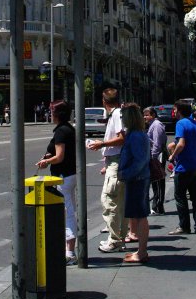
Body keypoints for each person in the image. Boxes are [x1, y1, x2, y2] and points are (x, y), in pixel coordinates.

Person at [36, 100, 78, 264]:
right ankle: (69, 249)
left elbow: (59, 157)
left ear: (57, 114)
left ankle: (70, 253)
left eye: (51, 111)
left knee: (67, 213)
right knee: (69, 210)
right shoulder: (68, 129)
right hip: (69, 175)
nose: (49, 114)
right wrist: (49, 157)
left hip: (63, 176)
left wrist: (46, 162)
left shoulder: (61, 131)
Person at [87, 87, 126, 252]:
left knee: (109, 201)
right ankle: (119, 238)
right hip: (116, 161)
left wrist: (101, 144)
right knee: (120, 202)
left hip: (116, 162)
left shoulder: (117, 114)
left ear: (103, 101)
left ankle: (115, 240)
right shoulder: (118, 113)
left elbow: (122, 138)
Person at [118, 102, 151, 263]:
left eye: (123, 116)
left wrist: (125, 174)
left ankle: (142, 252)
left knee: (140, 215)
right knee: (138, 215)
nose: (122, 119)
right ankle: (140, 250)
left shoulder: (136, 136)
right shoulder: (135, 134)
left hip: (137, 179)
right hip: (137, 178)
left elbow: (140, 161)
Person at [167, 100, 196, 235]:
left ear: (181, 111)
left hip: (183, 167)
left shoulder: (181, 124)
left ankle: (184, 226)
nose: (174, 112)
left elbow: (181, 144)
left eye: (175, 109)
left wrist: (172, 157)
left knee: (180, 197)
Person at [143, 106, 167, 214]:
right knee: (155, 181)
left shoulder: (157, 125)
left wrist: (153, 157)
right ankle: (156, 206)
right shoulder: (152, 125)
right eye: (144, 115)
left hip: (157, 156)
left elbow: (157, 143)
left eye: (147, 115)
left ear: (153, 115)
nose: (145, 117)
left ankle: (158, 206)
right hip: (154, 156)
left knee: (158, 181)